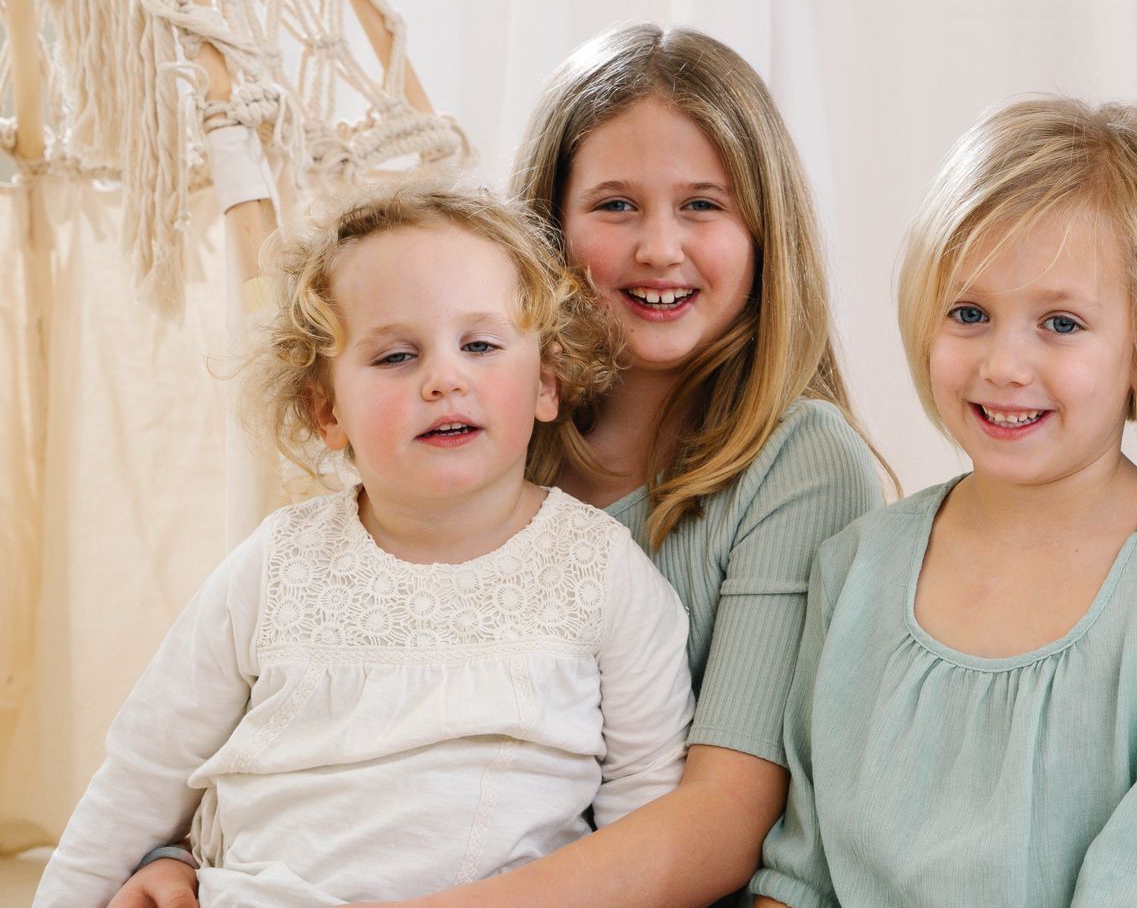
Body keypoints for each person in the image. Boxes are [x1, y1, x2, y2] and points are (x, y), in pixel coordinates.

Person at [110, 25, 888, 908]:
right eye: (616, 205)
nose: (659, 248)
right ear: (546, 233)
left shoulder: (802, 463)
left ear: (763, 231)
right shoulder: (468, 424)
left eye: (702, 205)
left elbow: (722, 821)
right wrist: (177, 854)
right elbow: (330, 729)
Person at [41, 186, 695, 907]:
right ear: (328, 410)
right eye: (396, 356)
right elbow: (142, 774)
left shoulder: (601, 571)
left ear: (545, 382)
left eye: (480, 345)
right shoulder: (277, 565)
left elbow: (649, 808)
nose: (445, 379)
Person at [751, 97, 1137, 908]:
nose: (1003, 364)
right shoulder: (856, 569)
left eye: (1060, 323)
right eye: (969, 313)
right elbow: (797, 877)